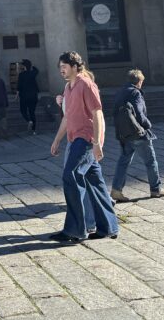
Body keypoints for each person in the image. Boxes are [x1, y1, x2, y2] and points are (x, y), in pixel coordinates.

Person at [49, 51, 119, 243]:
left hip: (85, 139)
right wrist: (57, 140)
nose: (61, 70)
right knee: (95, 184)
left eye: (64, 66)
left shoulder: (86, 84)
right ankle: (108, 227)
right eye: (60, 67)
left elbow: (97, 114)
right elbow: (67, 117)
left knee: (70, 175)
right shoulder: (68, 87)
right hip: (74, 138)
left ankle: (76, 229)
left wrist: (97, 143)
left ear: (74, 66)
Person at [110, 69, 164, 202]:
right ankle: (156, 189)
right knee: (150, 161)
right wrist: (148, 125)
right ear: (139, 82)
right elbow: (139, 113)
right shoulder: (136, 93)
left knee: (123, 162)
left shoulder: (120, 93)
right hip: (138, 133)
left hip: (124, 134)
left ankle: (116, 190)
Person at [16, 59, 40, 134]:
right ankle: (34, 131)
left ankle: (28, 120)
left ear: (24, 67)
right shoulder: (33, 73)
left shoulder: (21, 75)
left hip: (24, 96)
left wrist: (16, 95)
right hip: (33, 96)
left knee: (23, 110)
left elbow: (19, 86)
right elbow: (37, 70)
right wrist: (31, 65)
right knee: (32, 112)